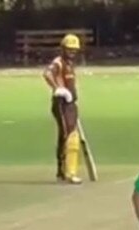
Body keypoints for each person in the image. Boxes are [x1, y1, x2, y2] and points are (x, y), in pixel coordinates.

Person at [43, 34, 83, 184]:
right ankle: (67, 172)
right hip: (61, 102)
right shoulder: (58, 62)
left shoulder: (70, 64)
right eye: (69, 50)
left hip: (71, 104)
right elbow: (47, 74)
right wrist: (57, 88)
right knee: (67, 135)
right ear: (63, 49)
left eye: (74, 50)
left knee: (69, 135)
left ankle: (64, 171)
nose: (72, 52)